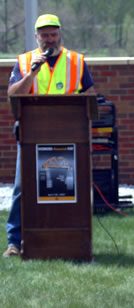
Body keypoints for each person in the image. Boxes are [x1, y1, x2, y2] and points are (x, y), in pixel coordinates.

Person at [3, 14, 95, 257]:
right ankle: (15, 242)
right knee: (23, 188)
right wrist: (32, 74)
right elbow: (12, 95)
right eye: (44, 35)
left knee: (69, 190)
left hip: (71, 137)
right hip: (32, 137)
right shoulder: (24, 62)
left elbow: (91, 96)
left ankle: (72, 239)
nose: (49, 39)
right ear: (36, 37)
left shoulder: (76, 61)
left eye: (53, 34)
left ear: (60, 35)